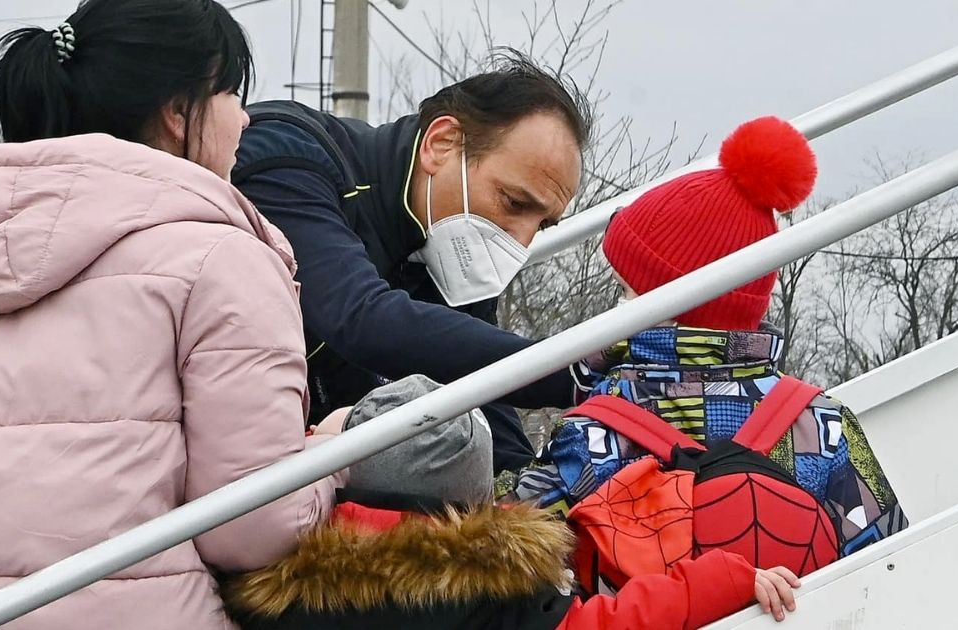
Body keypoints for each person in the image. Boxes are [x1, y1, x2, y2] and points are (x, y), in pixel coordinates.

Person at [0, 1, 343, 628]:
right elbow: (251, 526)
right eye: (233, 94)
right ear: (180, 112)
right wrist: (335, 457)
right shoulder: (221, 260)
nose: (246, 118)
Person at [510, 117, 907, 578]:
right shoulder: (822, 423)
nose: (616, 307)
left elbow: (514, 546)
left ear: (672, 305)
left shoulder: (602, 425)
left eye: (626, 290)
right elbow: (890, 562)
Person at [233, 53, 594, 473]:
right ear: (441, 144)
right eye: (513, 202)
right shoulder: (290, 154)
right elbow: (361, 318)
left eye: (543, 224)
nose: (522, 238)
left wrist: (529, 489)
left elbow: (483, 399)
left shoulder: (445, 250)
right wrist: (576, 370)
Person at [223, 375, 803, 630]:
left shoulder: (265, 573)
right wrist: (724, 578)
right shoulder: (489, 587)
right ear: (476, 503)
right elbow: (613, 624)